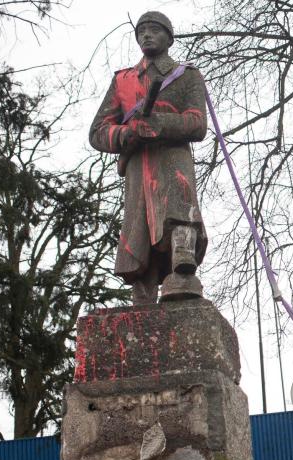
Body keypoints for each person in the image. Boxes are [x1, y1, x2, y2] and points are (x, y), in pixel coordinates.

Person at [90, 11, 208, 304]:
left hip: (172, 159)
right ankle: (143, 291)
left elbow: (197, 123)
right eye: (141, 31)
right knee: (140, 226)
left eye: (154, 30)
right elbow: (98, 132)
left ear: (169, 37)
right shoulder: (123, 81)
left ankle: (183, 273)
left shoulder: (187, 75)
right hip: (138, 168)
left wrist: (161, 124)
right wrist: (126, 134)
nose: (147, 35)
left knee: (180, 209)